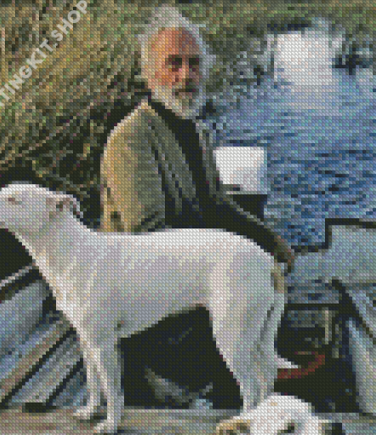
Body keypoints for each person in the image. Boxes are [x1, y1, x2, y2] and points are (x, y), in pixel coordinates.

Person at [99, 6, 295, 407]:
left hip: (188, 278)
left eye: (193, 64)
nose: (185, 76)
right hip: (147, 303)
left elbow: (218, 205)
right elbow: (148, 239)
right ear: (150, 72)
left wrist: (269, 240)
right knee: (251, 313)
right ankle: (182, 387)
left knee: (270, 303)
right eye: (173, 64)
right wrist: (234, 265)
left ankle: (248, 393)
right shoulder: (130, 140)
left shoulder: (197, 132)